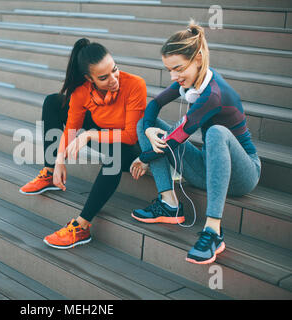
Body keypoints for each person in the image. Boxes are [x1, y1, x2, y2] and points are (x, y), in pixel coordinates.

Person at [131, 21, 261, 264]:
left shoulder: (213, 93)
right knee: (143, 124)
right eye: (169, 70)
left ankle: (213, 232)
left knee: (216, 133)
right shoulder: (188, 83)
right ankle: (169, 204)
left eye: (178, 68)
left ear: (198, 59)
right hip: (208, 169)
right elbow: (154, 105)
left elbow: (180, 136)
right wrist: (148, 130)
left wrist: (143, 157)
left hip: (244, 175)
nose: (174, 76)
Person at [19, 38, 147, 249]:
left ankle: (82, 226)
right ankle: (49, 173)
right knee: (54, 101)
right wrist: (59, 161)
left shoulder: (134, 84)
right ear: (89, 78)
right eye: (104, 77)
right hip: (103, 135)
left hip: (130, 149)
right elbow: (71, 128)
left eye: (115, 70)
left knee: (116, 152)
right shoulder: (83, 91)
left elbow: (131, 136)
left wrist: (88, 136)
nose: (114, 79)